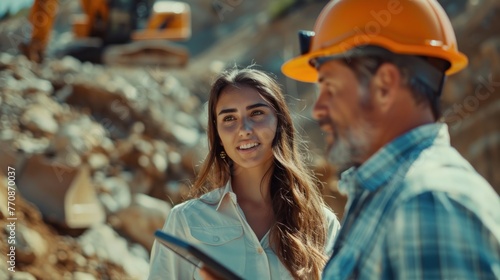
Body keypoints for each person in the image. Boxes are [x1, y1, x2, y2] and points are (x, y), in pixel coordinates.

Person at [281, 0, 500, 279]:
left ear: (384, 85)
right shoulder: (384, 194)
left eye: (330, 87)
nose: (318, 108)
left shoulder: (426, 205)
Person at [148, 66, 340, 279]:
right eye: (229, 118)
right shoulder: (185, 221)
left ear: (279, 122)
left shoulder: (321, 224)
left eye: (257, 113)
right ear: (218, 134)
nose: (244, 128)